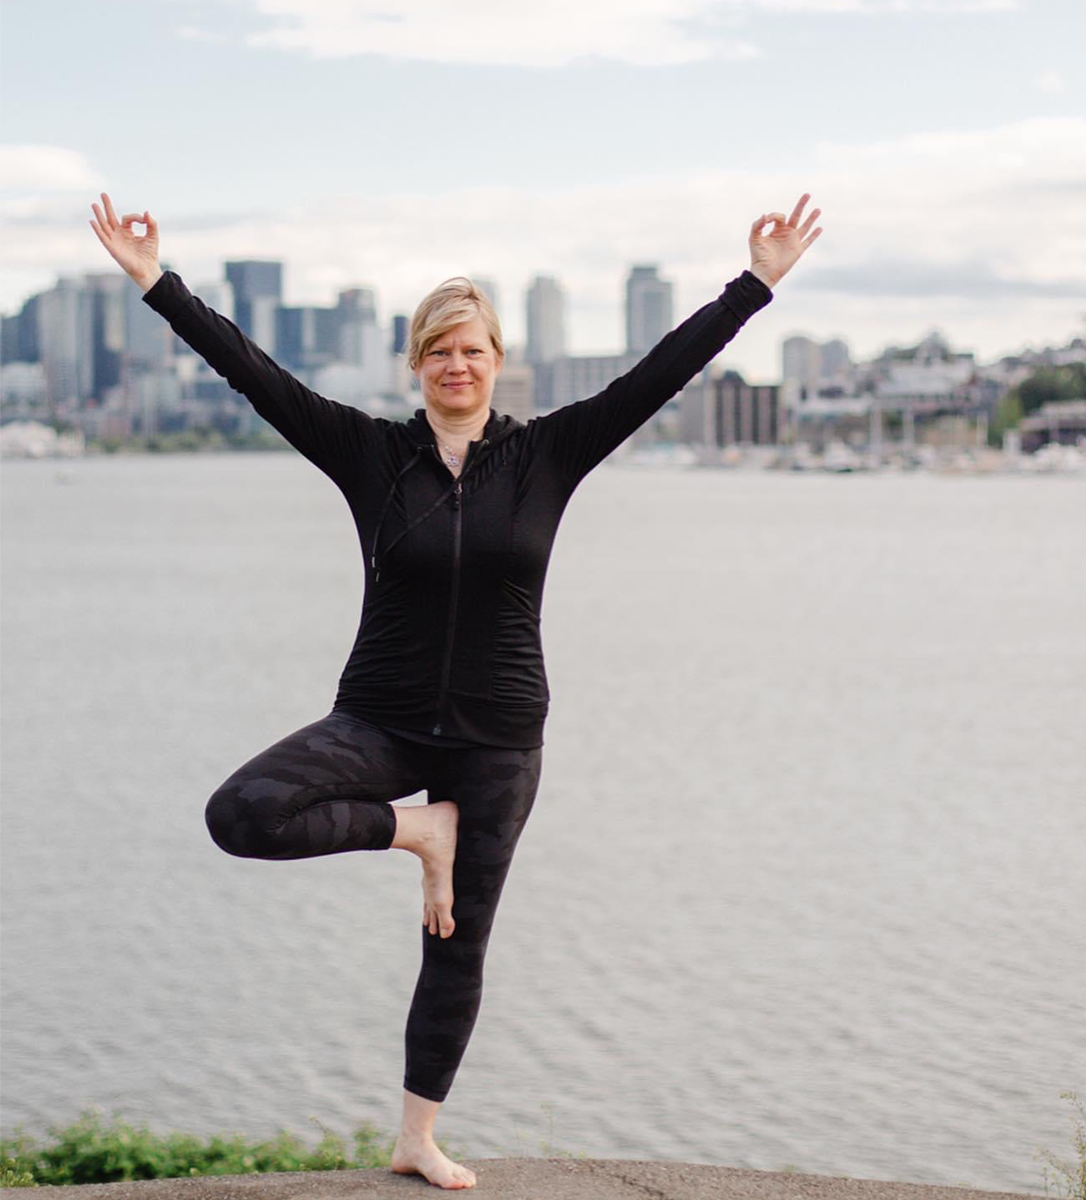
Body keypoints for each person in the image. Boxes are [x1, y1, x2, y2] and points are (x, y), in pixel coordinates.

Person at [88, 190, 823, 1191]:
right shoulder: (369, 455)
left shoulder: (547, 455)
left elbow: (659, 375)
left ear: (496, 359)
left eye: (471, 349)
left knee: (458, 938)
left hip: (498, 738)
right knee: (242, 813)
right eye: (438, 349)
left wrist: (755, 284)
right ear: (416, 365)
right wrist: (156, 283)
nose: (456, 364)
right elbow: (252, 375)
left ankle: (415, 1137)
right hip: (379, 724)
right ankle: (415, 833)